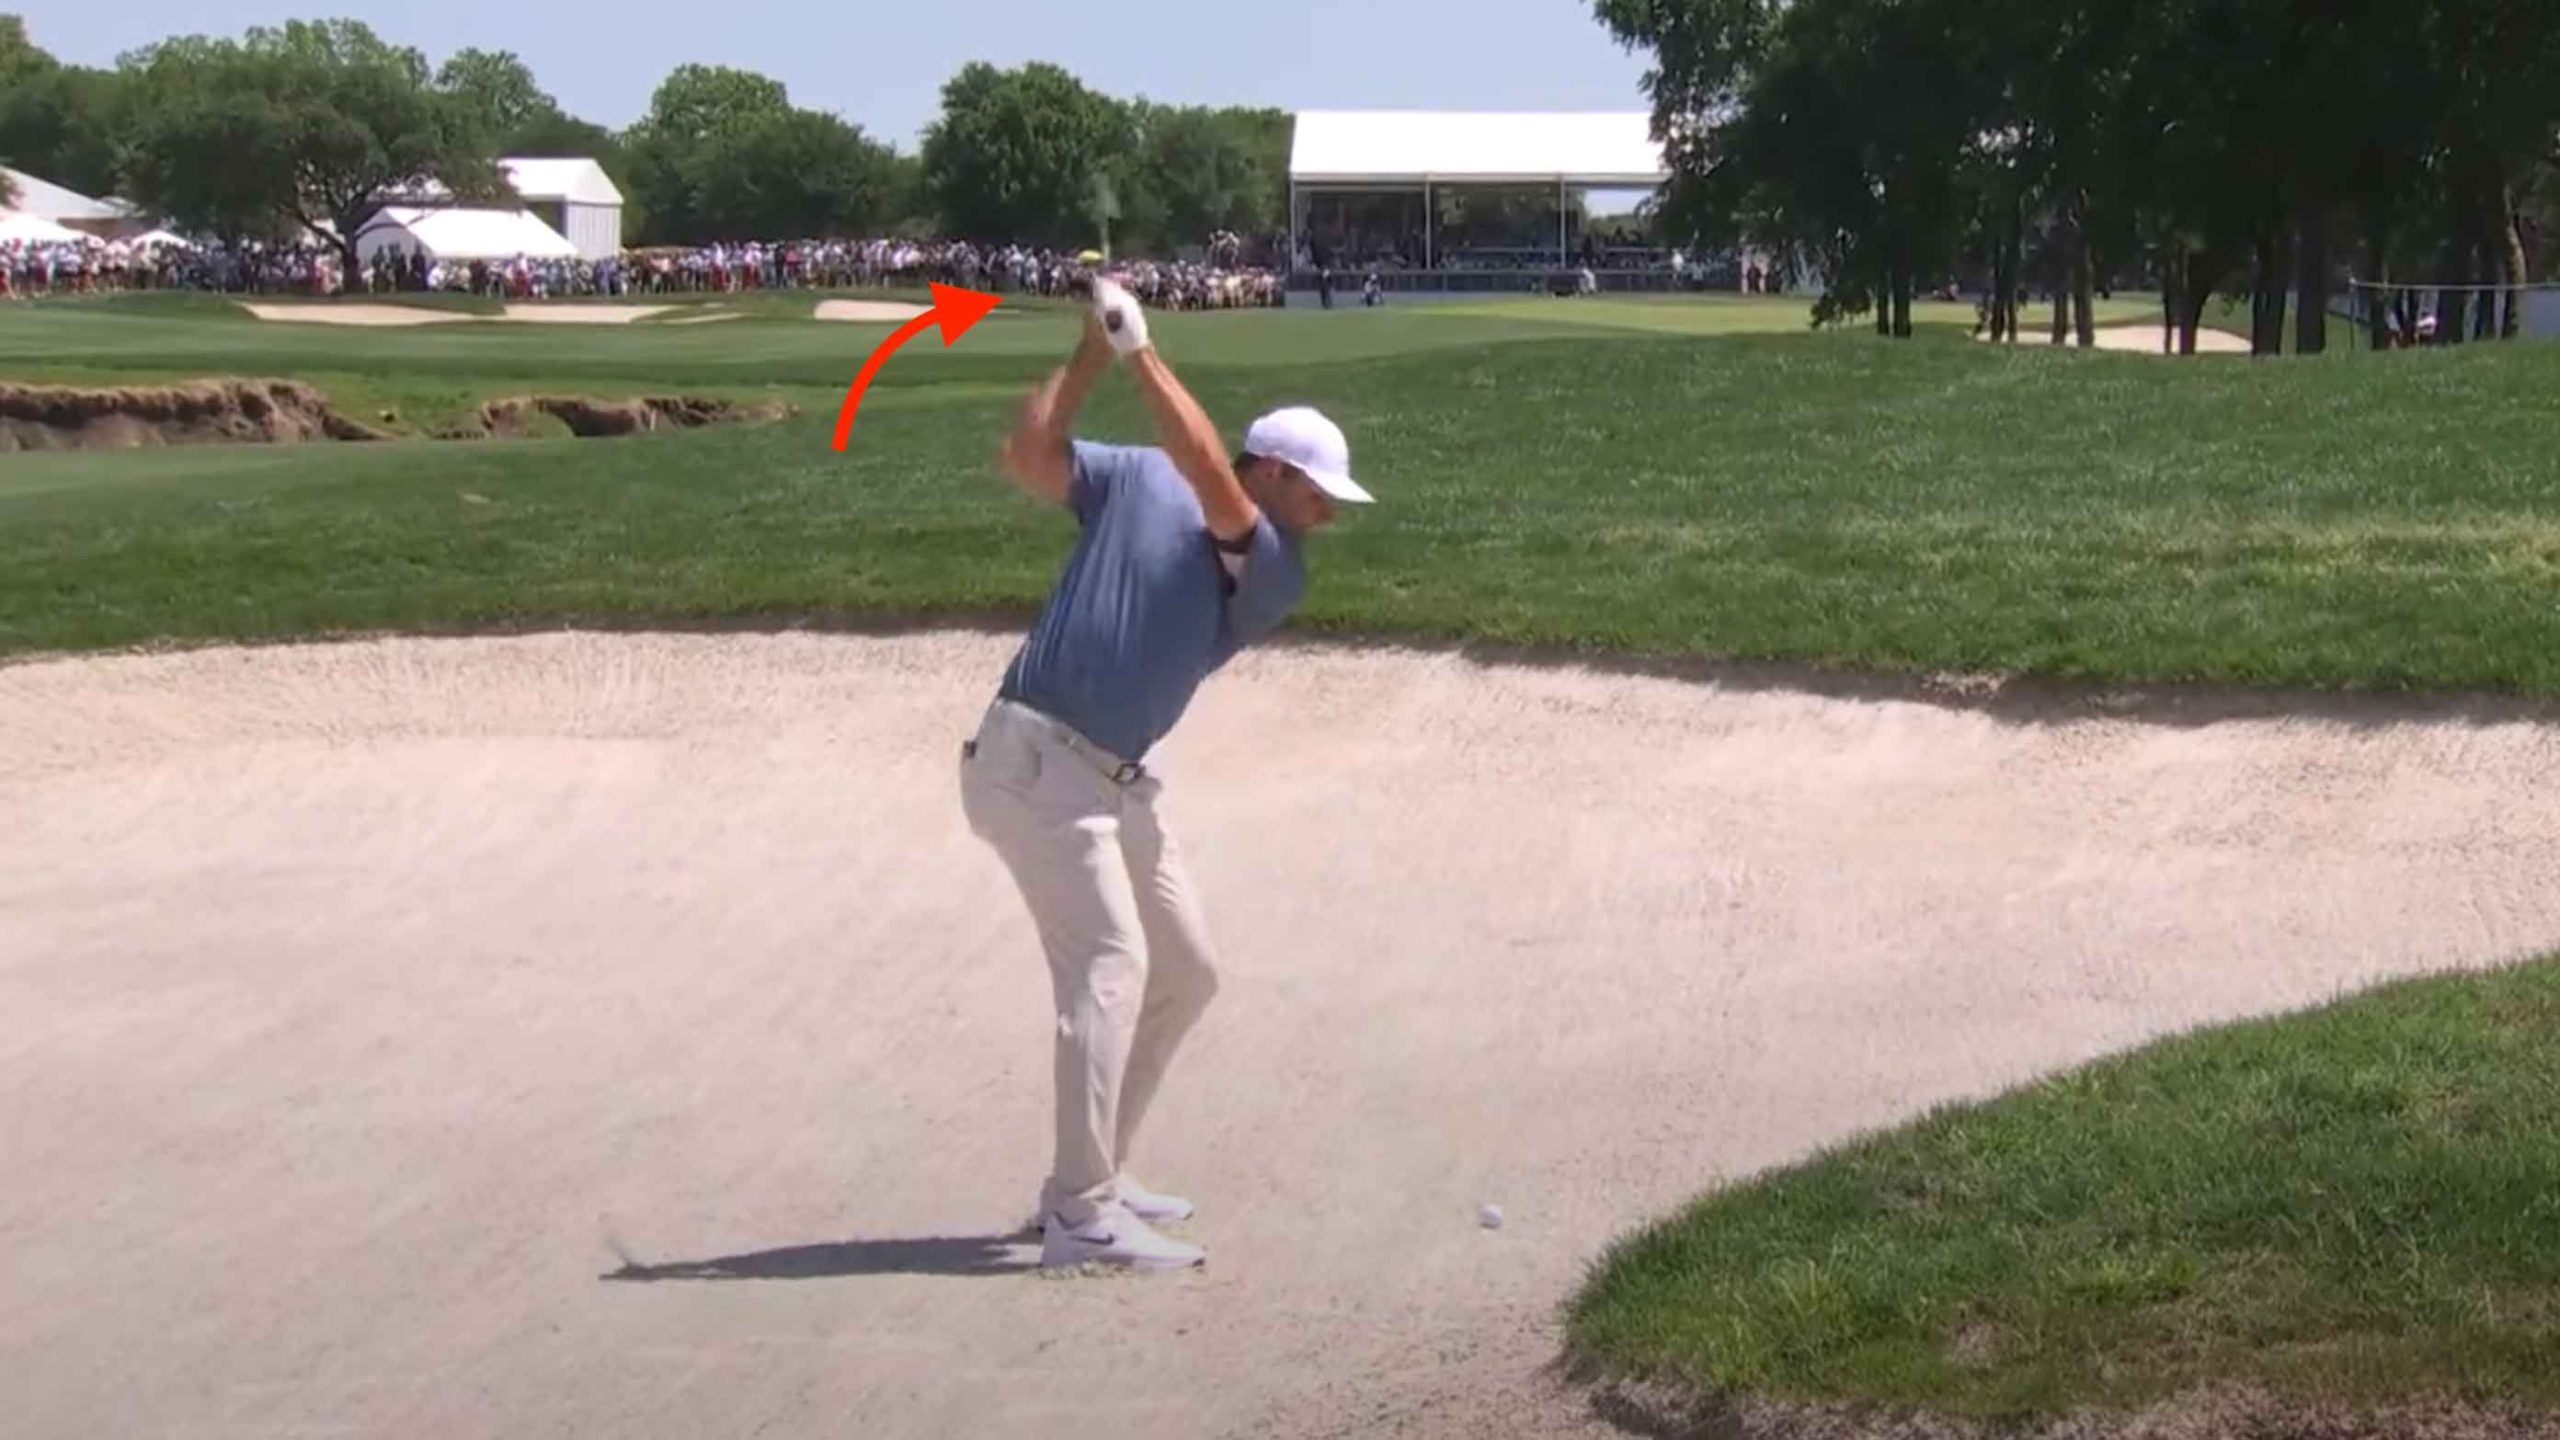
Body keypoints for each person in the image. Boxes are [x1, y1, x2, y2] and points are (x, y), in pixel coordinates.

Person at [962, 277, 1374, 1271]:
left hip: (1107, 779)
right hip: (1032, 760)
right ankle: (1079, 1212)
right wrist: (1094, 354)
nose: (1326, 512)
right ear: (1273, 471)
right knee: (1108, 967)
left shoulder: (1271, 560)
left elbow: (1206, 477)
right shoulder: (1140, 475)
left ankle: (1100, 1167)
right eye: (1317, 489)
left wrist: (1138, 349)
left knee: (1185, 972)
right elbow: (1028, 454)